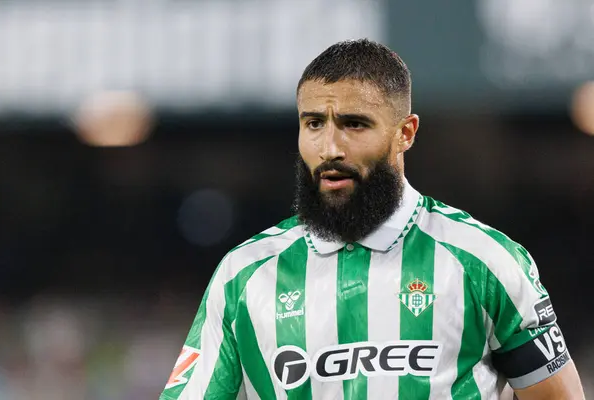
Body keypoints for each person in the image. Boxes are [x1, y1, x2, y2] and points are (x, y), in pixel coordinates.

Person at [159, 39, 584, 400]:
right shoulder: (244, 276)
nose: (330, 148)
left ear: (406, 132)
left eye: (354, 124)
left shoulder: (485, 261)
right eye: (313, 124)